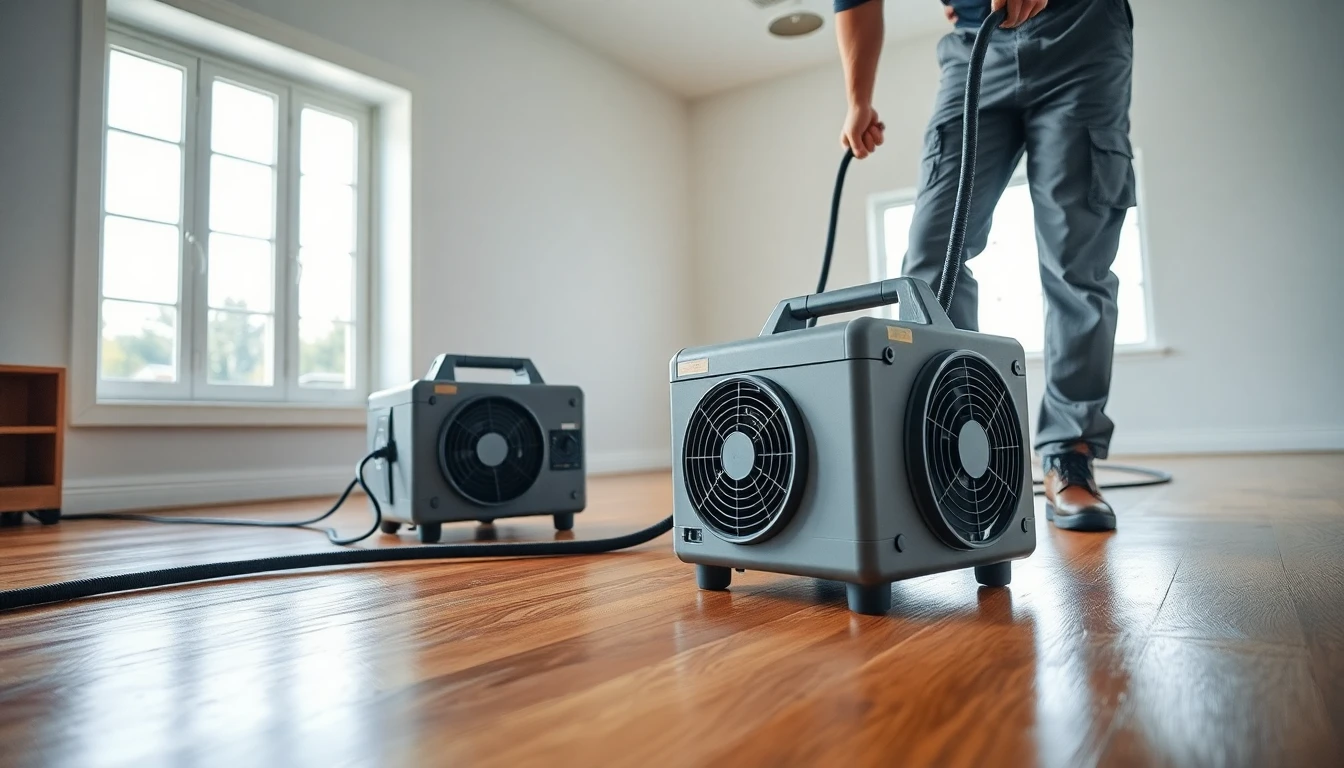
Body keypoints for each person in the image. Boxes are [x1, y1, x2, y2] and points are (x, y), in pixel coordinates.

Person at [834, 0, 1137, 532]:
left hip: (1081, 33)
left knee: (1077, 263)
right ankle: (954, 448)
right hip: (975, 44)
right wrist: (858, 99)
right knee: (932, 261)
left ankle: (1069, 455)